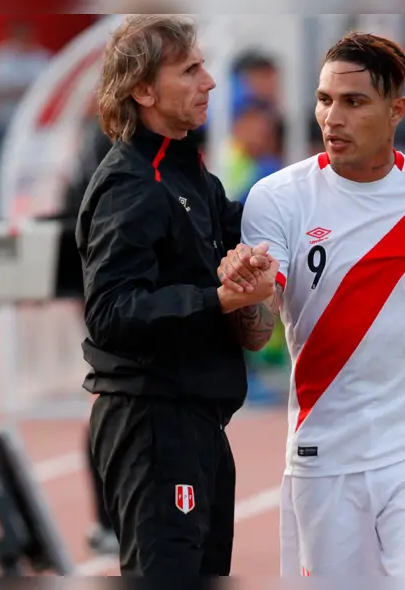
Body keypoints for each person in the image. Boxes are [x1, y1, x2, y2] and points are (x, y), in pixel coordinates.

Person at [217, 31, 405, 577]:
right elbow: (255, 330)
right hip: (324, 458)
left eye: (354, 102)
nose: (332, 117)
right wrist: (250, 294)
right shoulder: (277, 199)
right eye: (324, 100)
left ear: (396, 110)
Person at [75, 15, 277, 578]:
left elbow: (252, 232)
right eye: (189, 70)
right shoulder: (131, 184)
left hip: (198, 423)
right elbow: (111, 313)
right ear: (143, 90)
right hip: (153, 424)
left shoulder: (189, 172)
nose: (209, 82)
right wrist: (220, 299)